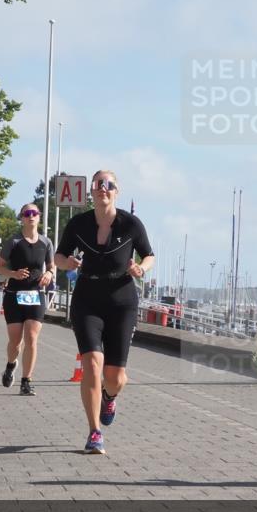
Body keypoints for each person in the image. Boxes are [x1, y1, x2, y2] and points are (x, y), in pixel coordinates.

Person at [54, 170, 155, 455]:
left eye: (109, 185)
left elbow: (149, 254)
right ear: (92, 192)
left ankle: (109, 397)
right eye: (99, 185)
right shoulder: (78, 224)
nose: (103, 189)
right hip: (87, 299)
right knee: (92, 367)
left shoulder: (131, 224)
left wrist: (141, 268)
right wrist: (68, 263)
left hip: (122, 300)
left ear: (116, 191)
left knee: (116, 377)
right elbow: (58, 257)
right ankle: (94, 432)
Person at [0, 204, 55, 396]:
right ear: (21, 217)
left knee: (31, 337)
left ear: (39, 217)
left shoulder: (46, 243)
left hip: (36, 295)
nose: (31, 216)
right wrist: (13, 273)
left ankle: (26, 381)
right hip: (14, 296)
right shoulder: (13, 241)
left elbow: (52, 267)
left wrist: (48, 274)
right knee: (15, 341)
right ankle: (11, 365)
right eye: (27, 214)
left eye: (34, 213)